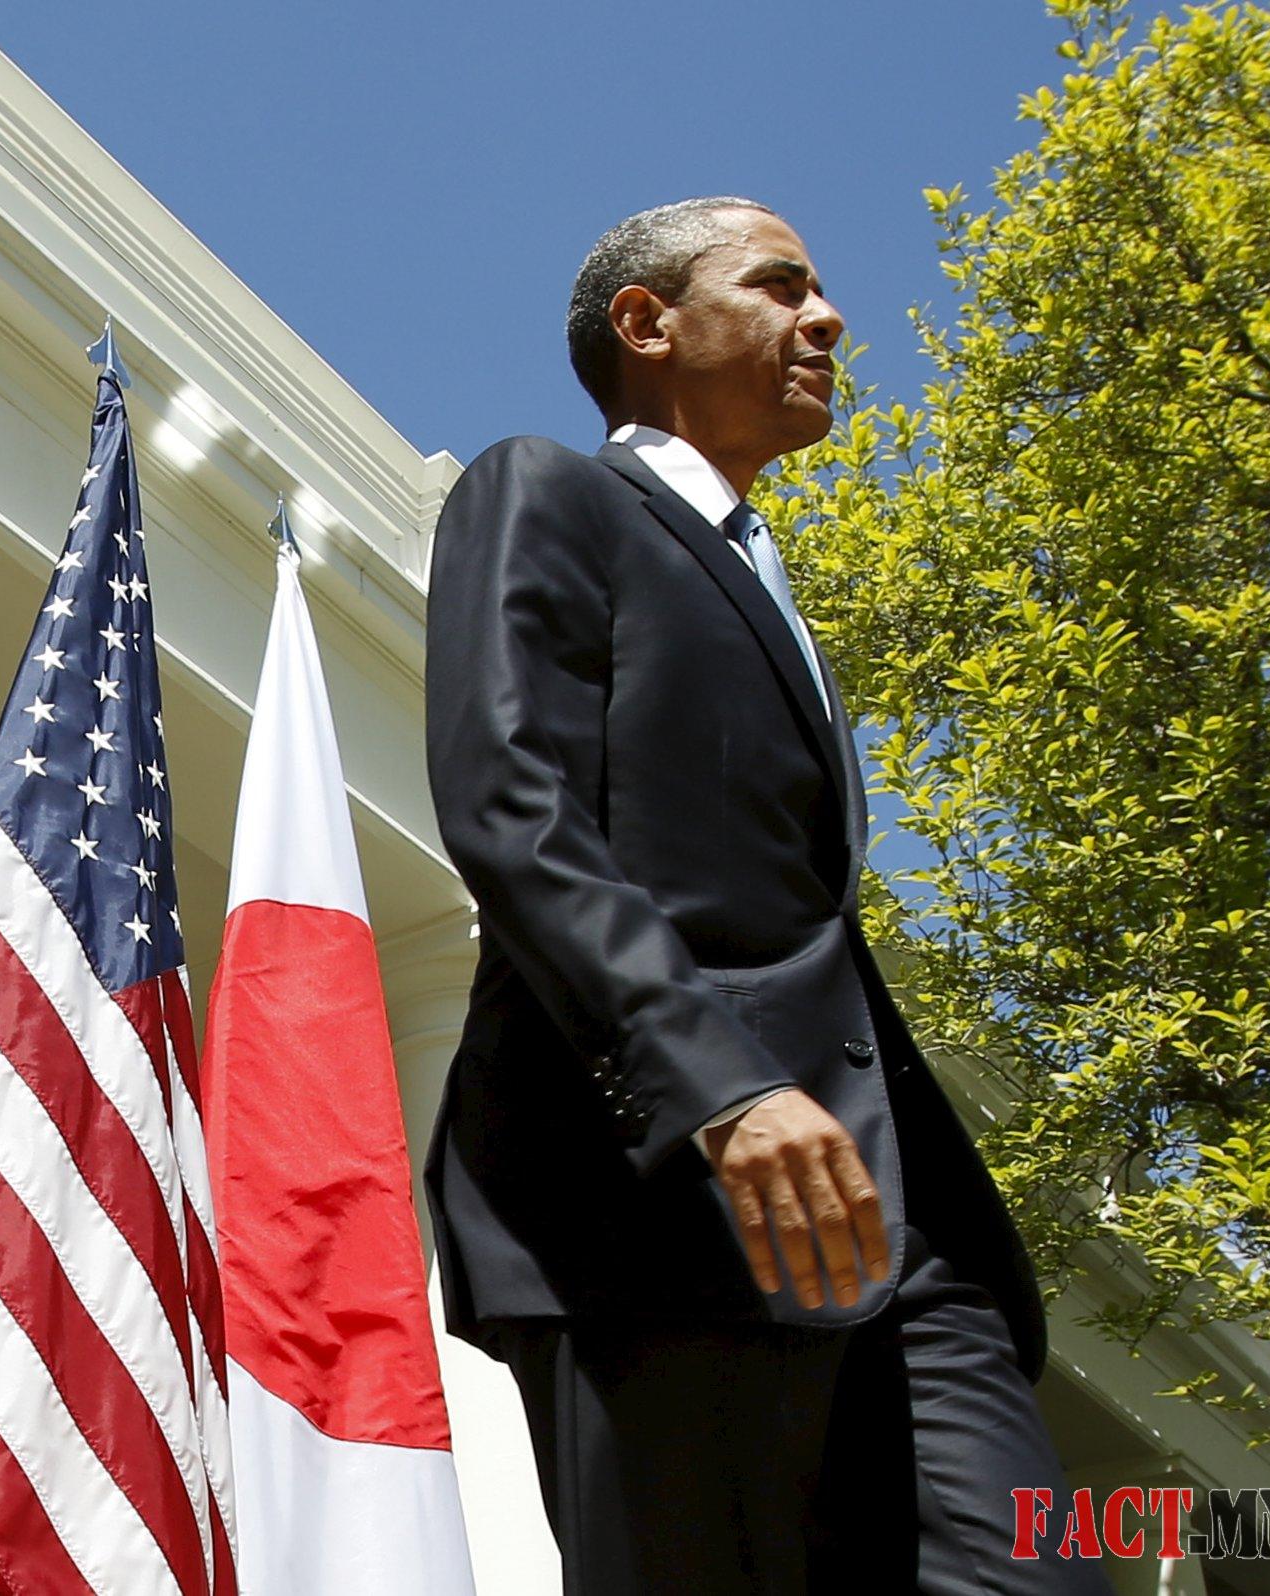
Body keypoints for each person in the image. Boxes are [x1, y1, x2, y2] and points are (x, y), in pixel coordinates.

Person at [422, 197, 1107, 1593]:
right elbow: (511, 804)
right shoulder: (546, 489)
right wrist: (716, 1089)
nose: (830, 316)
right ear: (647, 321)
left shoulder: (765, 579)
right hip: (659, 1201)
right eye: (782, 283)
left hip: (901, 1229)